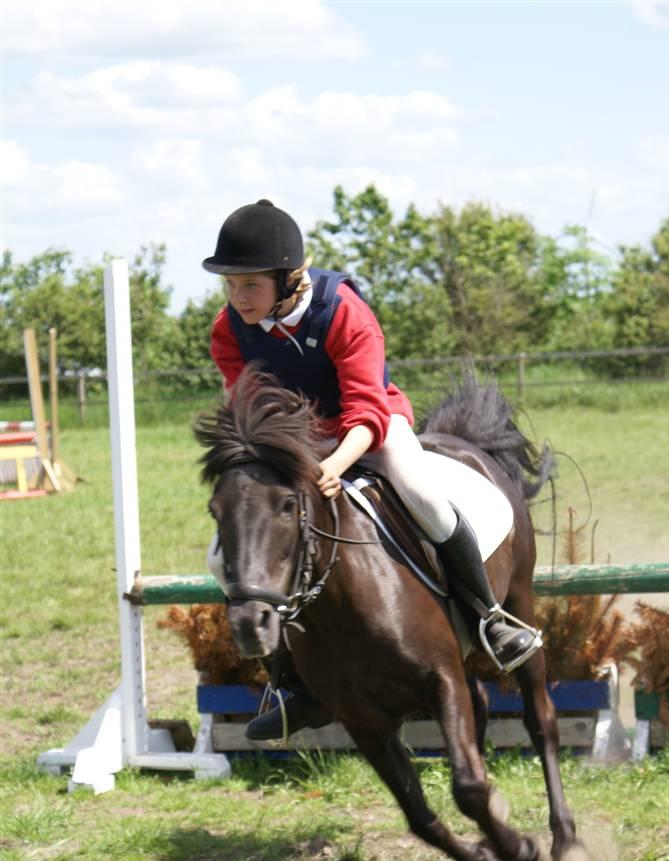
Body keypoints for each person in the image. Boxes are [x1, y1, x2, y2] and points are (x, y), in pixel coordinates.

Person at [202, 198, 539, 740]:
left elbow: (366, 409)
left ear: (289, 280)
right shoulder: (229, 330)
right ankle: (289, 680)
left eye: (250, 285)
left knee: (424, 497)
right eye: (232, 286)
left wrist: (332, 465)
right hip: (296, 444)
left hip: (372, 428)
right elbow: (250, 411)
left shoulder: (343, 311)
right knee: (221, 557)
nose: (238, 298)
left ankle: (489, 620)